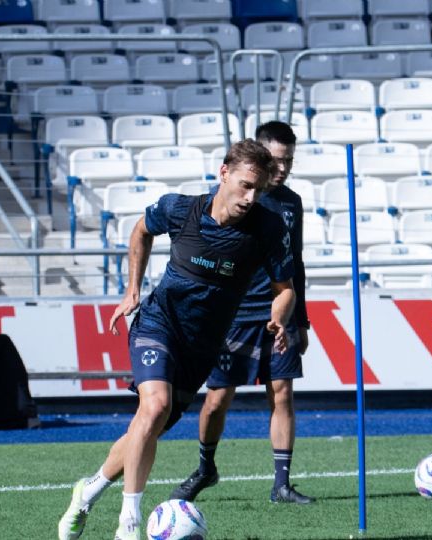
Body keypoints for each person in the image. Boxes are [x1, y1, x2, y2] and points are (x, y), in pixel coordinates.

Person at [57, 139, 296, 540]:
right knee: (154, 408)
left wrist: (279, 318)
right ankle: (128, 524)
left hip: (202, 346)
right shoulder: (180, 208)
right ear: (224, 173)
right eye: (244, 185)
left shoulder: (268, 227)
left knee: (150, 427)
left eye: (258, 189)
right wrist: (132, 289)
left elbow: (284, 288)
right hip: (159, 324)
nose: (250, 197)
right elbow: (140, 230)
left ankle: (87, 492)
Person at [170, 121, 314, 505]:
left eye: (289, 161)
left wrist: (300, 320)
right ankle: (205, 468)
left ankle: (281, 484)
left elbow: (294, 264)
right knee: (217, 399)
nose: (282, 169)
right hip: (230, 315)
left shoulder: (291, 203)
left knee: (282, 394)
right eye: (277, 161)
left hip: (276, 315)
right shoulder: (236, 197)